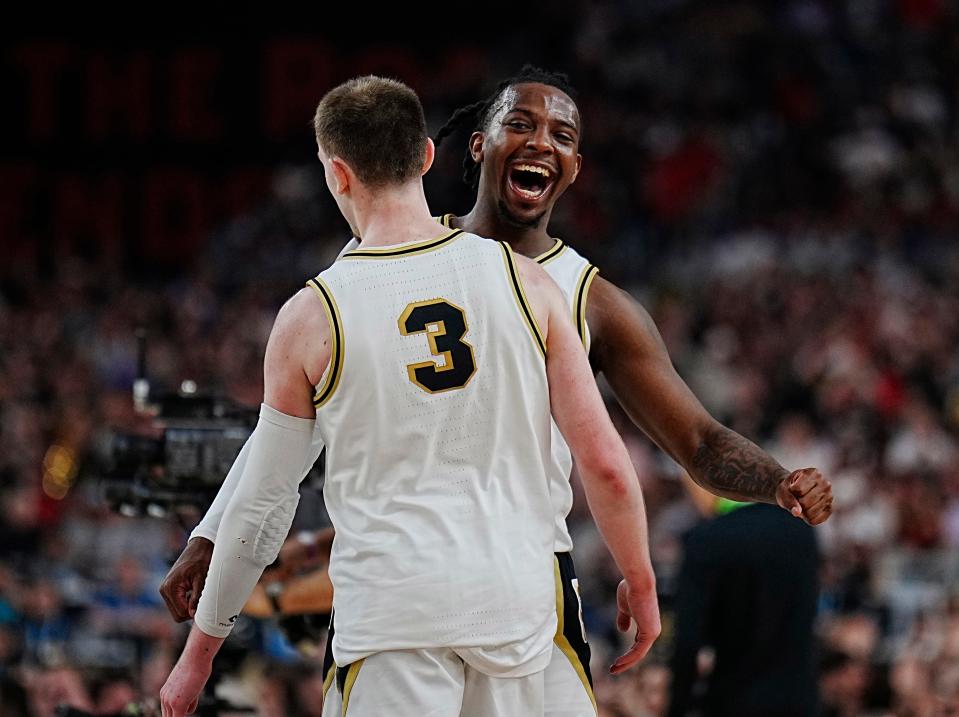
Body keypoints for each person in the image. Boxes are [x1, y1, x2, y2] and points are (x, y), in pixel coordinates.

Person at [160, 66, 834, 716]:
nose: (541, 141)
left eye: (563, 136)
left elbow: (695, 438)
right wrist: (211, 531)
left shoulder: (580, 296)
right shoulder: (490, 276)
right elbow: (280, 446)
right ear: (463, 148)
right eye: (521, 122)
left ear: (575, 167)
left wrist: (776, 481)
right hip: (512, 596)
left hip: (445, 586)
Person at [667, 478, 819, 716]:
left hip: (735, 700)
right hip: (799, 699)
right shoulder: (801, 530)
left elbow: (688, 641)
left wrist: (677, 707)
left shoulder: (708, 539)